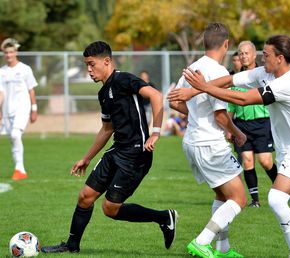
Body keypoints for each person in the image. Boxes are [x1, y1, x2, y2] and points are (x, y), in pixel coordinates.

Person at [179, 35, 290, 258]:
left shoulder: (286, 84)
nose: (262, 58)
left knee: (276, 199)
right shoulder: (266, 73)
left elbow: (242, 100)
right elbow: (229, 81)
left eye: (266, 55)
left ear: (280, 58)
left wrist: (202, 87)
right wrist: (195, 90)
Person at [41, 41, 177, 254]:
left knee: (110, 209)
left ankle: (164, 218)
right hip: (117, 151)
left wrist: (156, 132)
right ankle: (71, 246)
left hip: (136, 154)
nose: (88, 70)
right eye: (86, 65)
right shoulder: (103, 93)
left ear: (106, 61)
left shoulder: (124, 79)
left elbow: (156, 96)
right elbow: (106, 129)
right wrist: (86, 158)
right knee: (85, 196)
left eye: (91, 64)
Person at [169, 22, 247, 258]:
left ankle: (222, 249)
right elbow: (220, 116)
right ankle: (202, 241)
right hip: (210, 143)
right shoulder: (221, 73)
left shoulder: (192, 67)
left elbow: (173, 101)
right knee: (240, 198)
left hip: (192, 141)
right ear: (226, 44)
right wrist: (238, 132)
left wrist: (195, 114)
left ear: (204, 43)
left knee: (222, 196)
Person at [228, 41, 277, 207]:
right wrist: (228, 127)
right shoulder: (235, 79)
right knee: (247, 160)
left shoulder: (263, 74)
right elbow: (231, 105)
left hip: (262, 124)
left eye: (246, 53)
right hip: (241, 125)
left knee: (265, 161)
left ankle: (281, 190)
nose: (243, 56)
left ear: (254, 55)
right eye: (240, 53)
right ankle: (255, 200)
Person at [0, 38, 38, 181]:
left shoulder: (25, 69)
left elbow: (31, 90)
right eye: (6, 53)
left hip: (22, 108)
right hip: (7, 109)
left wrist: (34, 109)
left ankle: (20, 169)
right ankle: (19, 168)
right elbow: (1, 93)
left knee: (15, 134)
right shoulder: (1, 72)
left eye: (11, 52)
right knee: (12, 138)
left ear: (16, 52)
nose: (9, 55)